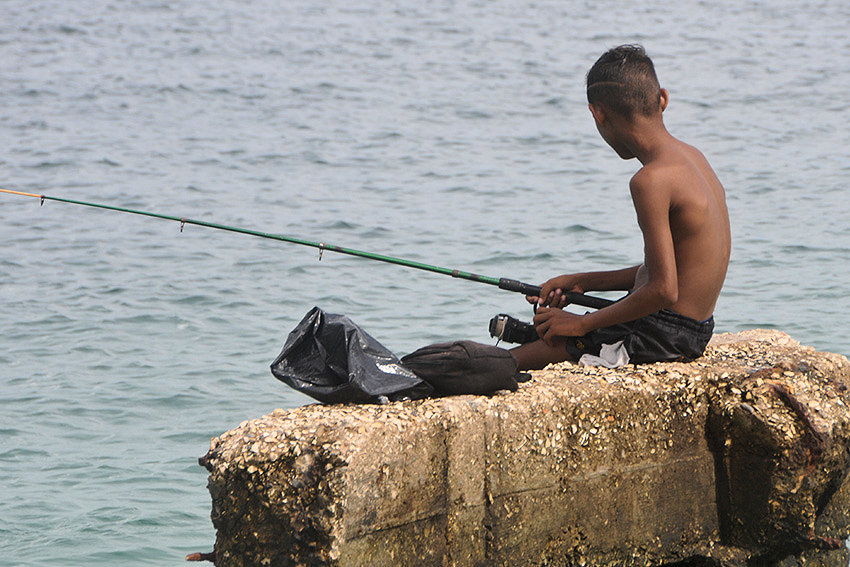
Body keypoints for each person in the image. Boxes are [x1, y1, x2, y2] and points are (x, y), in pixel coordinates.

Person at [512, 45, 731, 371]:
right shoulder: (693, 157)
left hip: (661, 335)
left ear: (597, 113)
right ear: (663, 99)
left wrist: (581, 325)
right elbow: (674, 270)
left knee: (512, 361)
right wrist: (583, 281)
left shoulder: (650, 181)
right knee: (540, 334)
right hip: (688, 329)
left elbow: (664, 290)